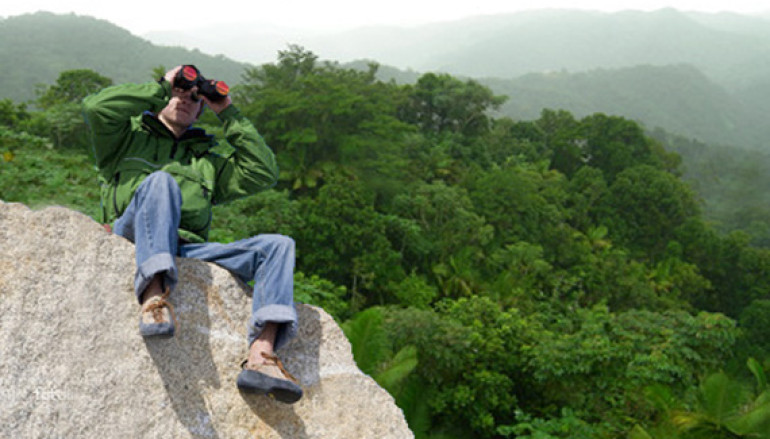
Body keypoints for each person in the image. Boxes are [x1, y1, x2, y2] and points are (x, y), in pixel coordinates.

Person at [82, 65, 302, 403]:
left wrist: (227, 111)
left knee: (278, 246)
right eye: (178, 93)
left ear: (202, 108)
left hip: (185, 248)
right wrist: (162, 86)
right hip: (132, 235)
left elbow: (263, 172)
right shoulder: (124, 139)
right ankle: (154, 300)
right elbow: (95, 108)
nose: (184, 99)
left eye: (194, 97)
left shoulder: (206, 162)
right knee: (160, 182)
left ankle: (262, 356)